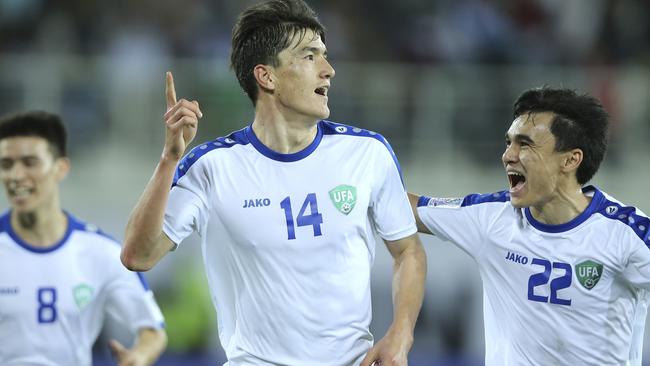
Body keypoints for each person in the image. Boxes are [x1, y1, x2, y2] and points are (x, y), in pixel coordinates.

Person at [120, 0, 427, 365]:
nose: (328, 70)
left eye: (324, 56)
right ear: (266, 76)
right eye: (310, 57)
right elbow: (138, 255)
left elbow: (408, 251)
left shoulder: (367, 153)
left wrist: (401, 334)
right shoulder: (212, 166)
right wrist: (169, 159)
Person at [410, 87, 650, 365]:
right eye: (508, 142)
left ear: (571, 160)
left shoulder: (627, 233)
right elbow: (402, 206)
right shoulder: (491, 219)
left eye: (524, 144)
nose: (508, 155)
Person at [0, 111, 167, 366]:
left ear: (61, 168)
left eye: (29, 162)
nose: (15, 176)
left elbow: (153, 331)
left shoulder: (100, 252)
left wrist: (139, 356)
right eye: (6, 165)